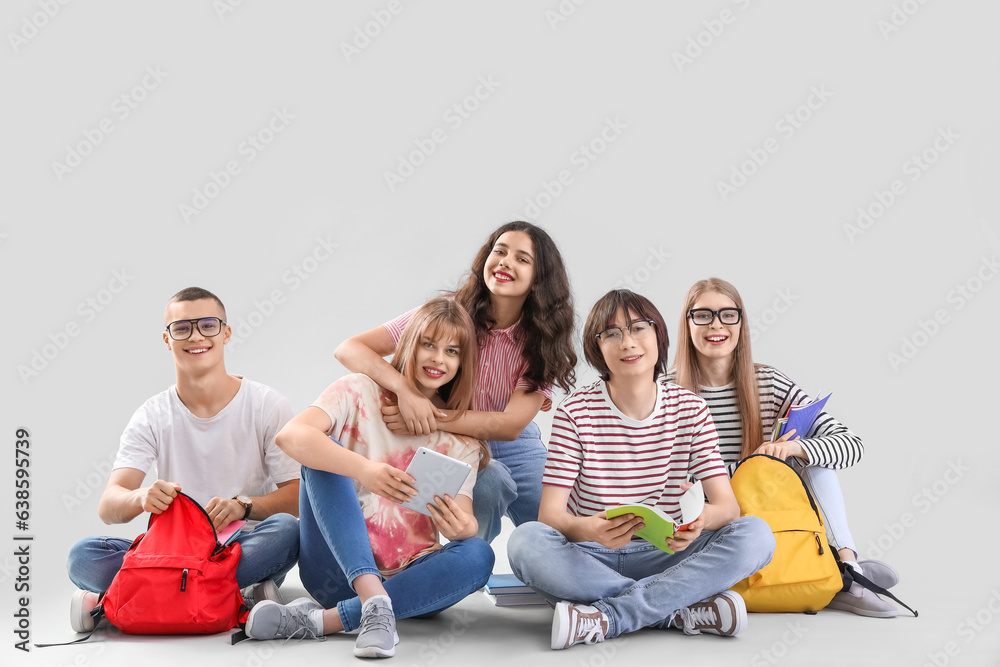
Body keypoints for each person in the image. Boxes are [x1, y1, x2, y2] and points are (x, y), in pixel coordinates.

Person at [507, 289, 775, 650]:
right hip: (590, 556)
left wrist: (698, 523)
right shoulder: (576, 412)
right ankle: (677, 610)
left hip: (667, 555)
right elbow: (550, 516)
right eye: (611, 333)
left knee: (756, 534)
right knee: (526, 542)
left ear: (658, 335)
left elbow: (727, 508)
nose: (627, 343)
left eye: (637, 328)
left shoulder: (691, 409)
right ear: (596, 348)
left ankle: (609, 617)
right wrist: (587, 529)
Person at [245, 298, 494, 659]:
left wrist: (462, 529)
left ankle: (322, 622)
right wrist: (364, 470)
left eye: (451, 351)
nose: (439, 359)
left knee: (478, 553)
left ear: (462, 363)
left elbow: (465, 514)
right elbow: (291, 437)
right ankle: (371, 597)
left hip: (412, 581)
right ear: (409, 344)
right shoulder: (357, 390)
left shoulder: (462, 444)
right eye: (429, 344)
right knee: (319, 449)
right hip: (335, 573)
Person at [66, 287, 301, 632]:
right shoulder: (152, 415)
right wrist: (141, 497)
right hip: (169, 552)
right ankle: (239, 594)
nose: (196, 336)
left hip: (236, 546)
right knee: (82, 556)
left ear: (226, 332)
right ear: (167, 339)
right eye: (182, 328)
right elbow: (109, 505)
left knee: (287, 532)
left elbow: (297, 497)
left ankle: (128, 599)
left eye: (208, 325)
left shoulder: (266, 404)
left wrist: (244, 506)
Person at [668, 277, 900, 617]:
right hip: (711, 520)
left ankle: (849, 568)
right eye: (702, 315)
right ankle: (837, 574)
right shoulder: (666, 393)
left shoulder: (768, 383)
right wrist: (753, 465)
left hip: (772, 512)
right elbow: (667, 479)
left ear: (741, 322)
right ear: (687, 324)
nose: (716, 325)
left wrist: (792, 450)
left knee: (814, 458)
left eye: (727, 315)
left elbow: (852, 445)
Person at [335, 221, 577, 542]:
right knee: (489, 486)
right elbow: (349, 348)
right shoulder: (450, 310)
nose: (505, 261)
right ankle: (472, 562)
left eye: (522, 258)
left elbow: (509, 426)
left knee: (564, 531)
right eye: (500, 251)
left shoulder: (544, 337)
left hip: (513, 445)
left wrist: (428, 418)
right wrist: (407, 393)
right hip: (457, 442)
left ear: (539, 280)